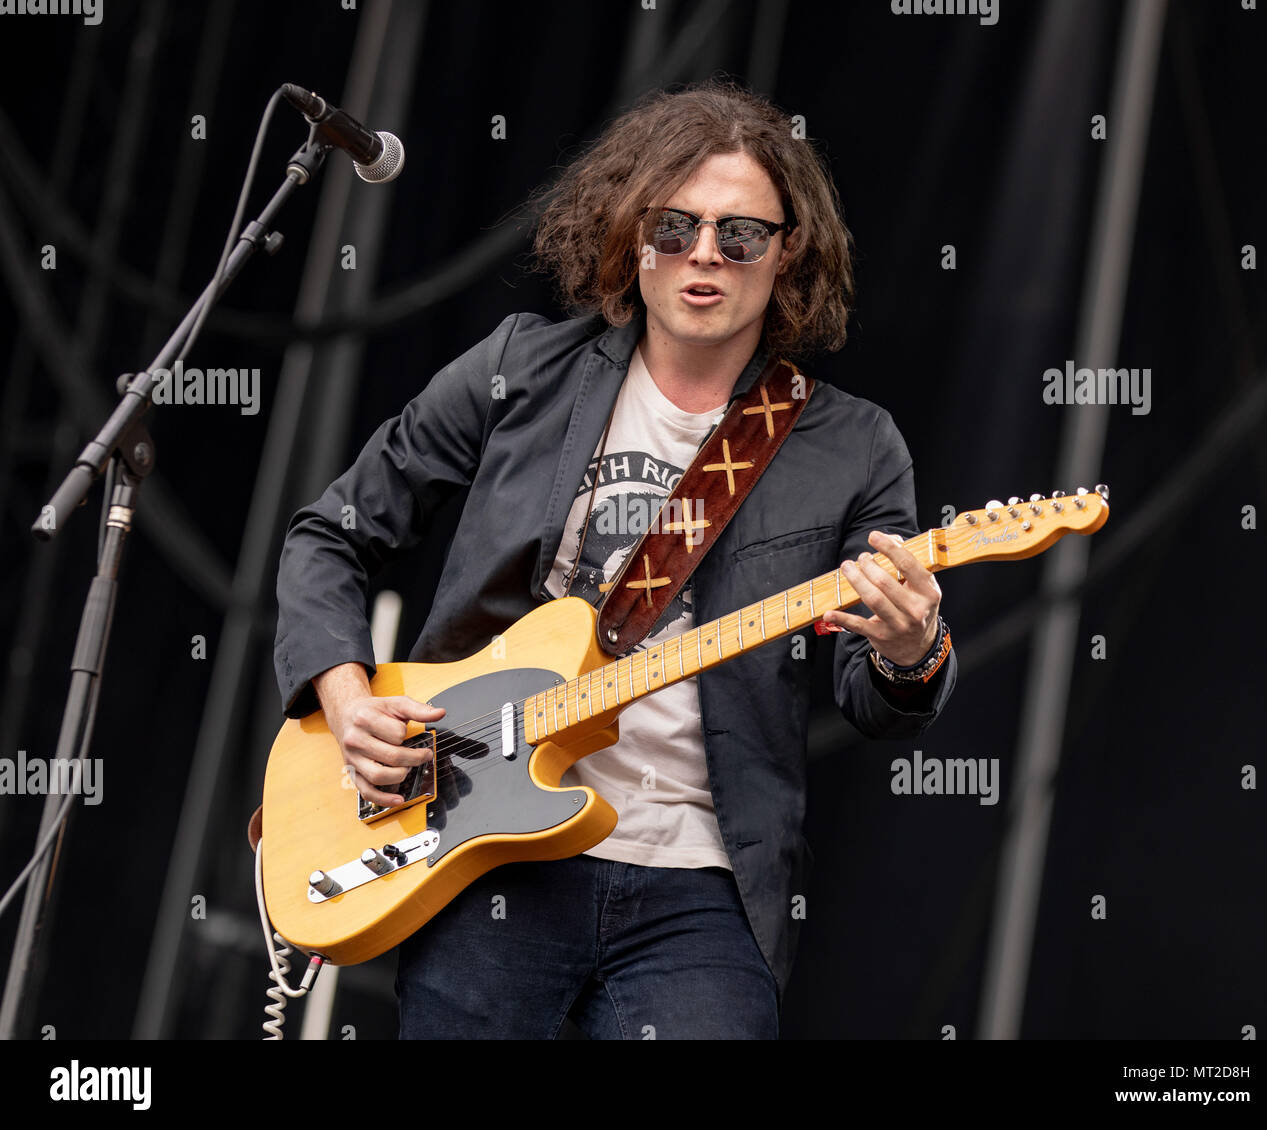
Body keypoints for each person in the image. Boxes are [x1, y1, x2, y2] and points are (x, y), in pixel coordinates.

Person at [273, 78, 956, 1039]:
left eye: (741, 235)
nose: (702, 255)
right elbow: (332, 534)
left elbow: (872, 693)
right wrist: (346, 705)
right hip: (491, 851)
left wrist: (910, 646)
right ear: (634, 233)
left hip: (700, 890)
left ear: (789, 248)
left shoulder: (855, 448)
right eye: (673, 227)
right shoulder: (520, 368)